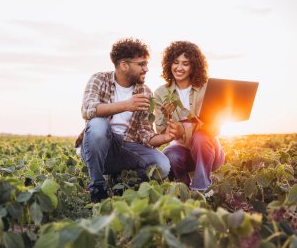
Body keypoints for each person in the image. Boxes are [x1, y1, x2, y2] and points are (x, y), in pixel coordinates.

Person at [76, 38, 180, 203]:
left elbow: (145, 134)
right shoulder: (99, 79)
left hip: (126, 146)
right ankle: (97, 187)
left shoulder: (145, 91)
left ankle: (121, 183)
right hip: (100, 146)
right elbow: (88, 109)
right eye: (141, 64)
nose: (146, 69)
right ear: (124, 65)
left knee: (162, 165)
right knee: (98, 124)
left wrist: (165, 138)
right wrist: (126, 105)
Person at [154, 41, 225, 191]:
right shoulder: (161, 93)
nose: (179, 68)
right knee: (169, 154)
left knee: (200, 137)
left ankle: (200, 189)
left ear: (193, 66)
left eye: (185, 63)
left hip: (208, 151)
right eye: (175, 62)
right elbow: (160, 129)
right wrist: (171, 128)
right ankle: (184, 189)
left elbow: (214, 130)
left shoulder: (207, 88)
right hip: (183, 152)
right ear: (169, 64)